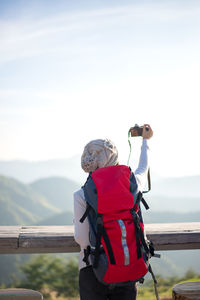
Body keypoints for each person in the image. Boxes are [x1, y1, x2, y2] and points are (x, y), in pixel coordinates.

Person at [73, 124, 153, 300]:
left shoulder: (81, 195)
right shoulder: (132, 185)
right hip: (128, 264)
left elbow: (82, 239)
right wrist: (145, 141)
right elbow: (142, 168)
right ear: (114, 158)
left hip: (92, 268)